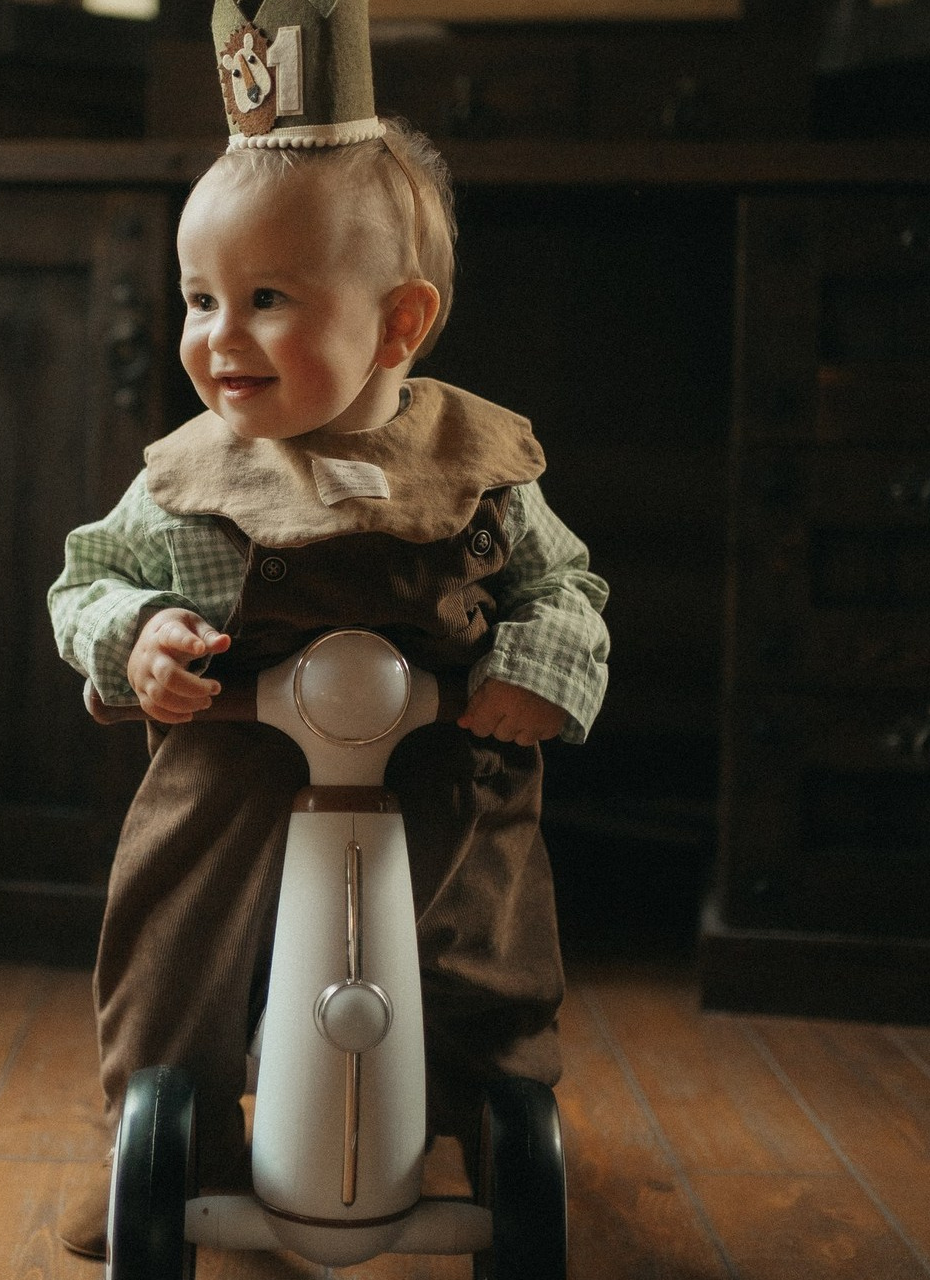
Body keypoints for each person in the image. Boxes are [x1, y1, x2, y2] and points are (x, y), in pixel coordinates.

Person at [47, 117, 609, 1258]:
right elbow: (86, 578)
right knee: (173, 943)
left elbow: (566, 585)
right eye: (200, 299)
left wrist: (535, 667)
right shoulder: (189, 478)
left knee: (485, 941)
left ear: (399, 322)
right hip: (234, 762)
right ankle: (162, 1140)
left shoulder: (480, 467)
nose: (218, 336)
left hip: (446, 756)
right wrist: (140, 635)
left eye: (265, 299)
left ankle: (495, 1122)